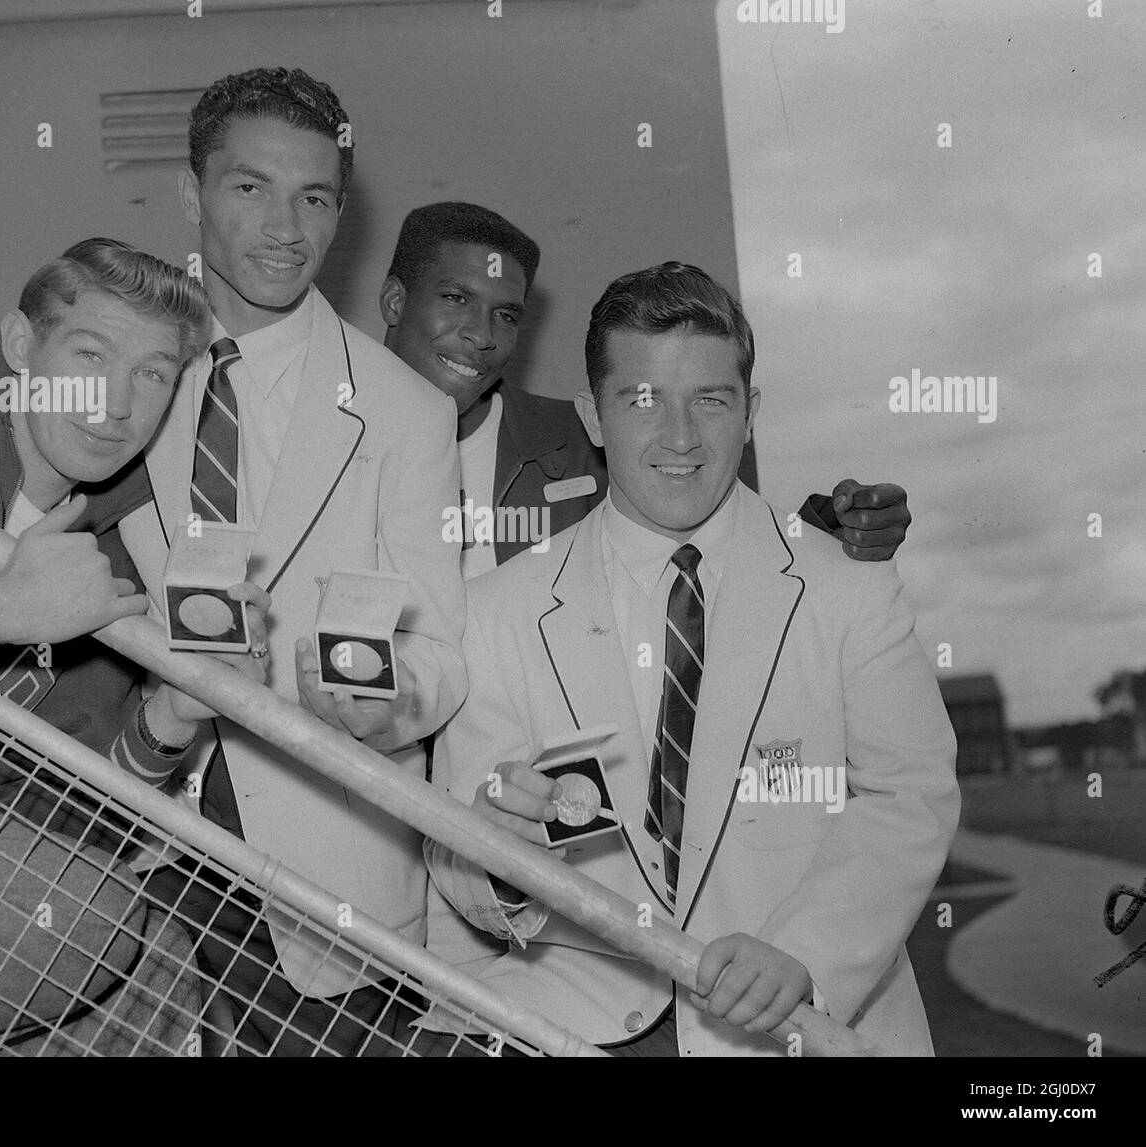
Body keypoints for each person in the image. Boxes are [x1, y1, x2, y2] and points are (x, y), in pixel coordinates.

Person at [424, 262, 960, 1056]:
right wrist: (502, 863)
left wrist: (805, 959)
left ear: (750, 413)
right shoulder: (499, 611)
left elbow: (910, 793)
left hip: (802, 1023)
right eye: (642, 400)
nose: (680, 437)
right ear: (593, 417)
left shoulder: (845, 585)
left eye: (710, 398)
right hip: (572, 1028)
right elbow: (454, 854)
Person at [123, 68, 468, 1056]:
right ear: (193, 195)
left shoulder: (408, 412)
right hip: (125, 844)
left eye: (314, 197)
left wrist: (378, 703)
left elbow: (440, 652)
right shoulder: (116, 362)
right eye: (250, 188)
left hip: (327, 887)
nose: (286, 226)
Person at [0, 237, 259, 1054]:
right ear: (19, 346)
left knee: (151, 959)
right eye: (90, 355)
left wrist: (172, 717)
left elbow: (63, 820)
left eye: (151, 375)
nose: (114, 405)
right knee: (88, 917)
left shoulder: (114, 553)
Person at [379, 201, 914, 573]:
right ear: (395, 301)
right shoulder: (312, 433)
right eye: (455, 298)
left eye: (506, 315)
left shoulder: (588, 434)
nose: (481, 334)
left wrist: (835, 530)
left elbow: (719, 539)